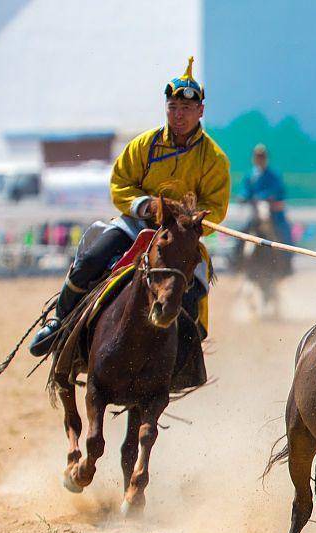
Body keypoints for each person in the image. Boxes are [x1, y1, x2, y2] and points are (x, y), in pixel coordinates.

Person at [30, 57, 230, 391]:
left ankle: (186, 358)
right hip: (135, 228)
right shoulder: (144, 145)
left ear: (200, 112)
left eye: (185, 108)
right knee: (91, 260)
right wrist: (146, 205)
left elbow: (216, 208)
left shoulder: (214, 159)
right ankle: (59, 324)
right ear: (166, 109)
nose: (178, 115)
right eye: (173, 107)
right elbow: (120, 184)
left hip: (179, 238)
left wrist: (188, 221)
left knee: (194, 289)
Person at [239, 144, 292, 244]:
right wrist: (243, 196)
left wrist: (262, 197)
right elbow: (246, 190)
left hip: (271, 209)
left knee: (264, 214)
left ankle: (272, 240)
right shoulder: (250, 175)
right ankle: (236, 252)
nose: (259, 159)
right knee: (242, 226)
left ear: (266, 158)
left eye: (262, 157)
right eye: (257, 157)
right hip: (253, 208)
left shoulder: (273, 175)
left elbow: (277, 191)